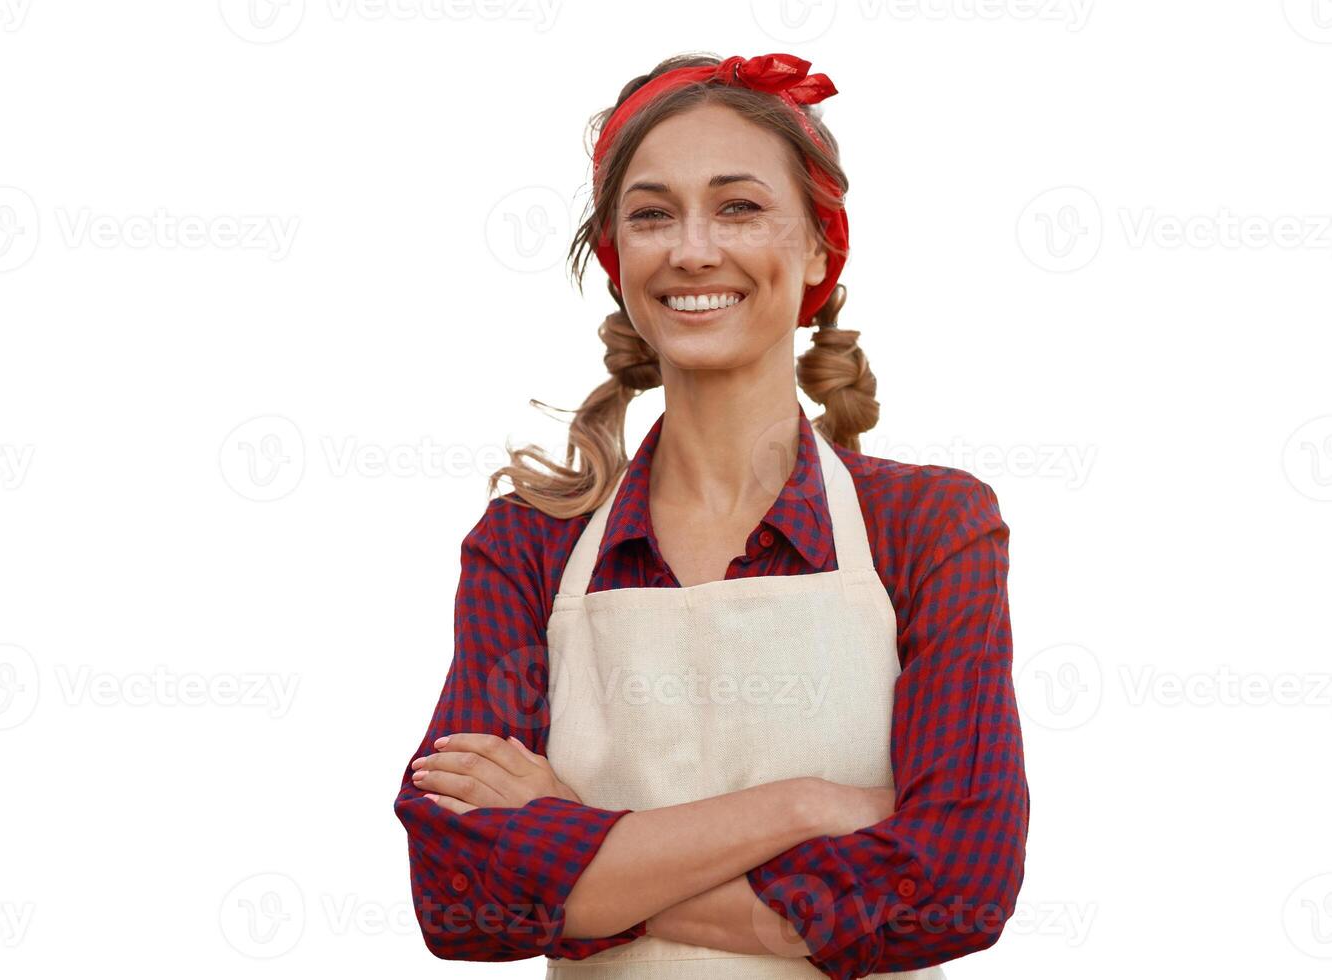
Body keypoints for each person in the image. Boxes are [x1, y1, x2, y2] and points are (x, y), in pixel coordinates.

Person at [392, 51, 1029, 979]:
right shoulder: (528, 543)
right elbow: (459, 896)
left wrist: (572, 856)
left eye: (739, 206)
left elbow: (957, 884)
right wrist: (804, 807)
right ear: (617, 260)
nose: (693, 249)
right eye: (652, 214)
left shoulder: (930, 525)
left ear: (818, 247)